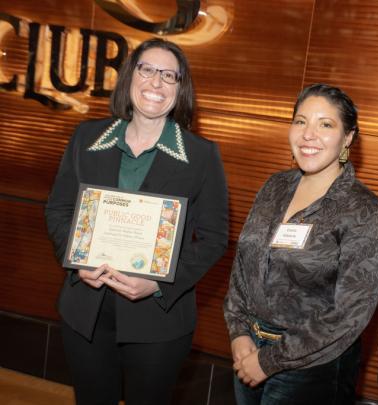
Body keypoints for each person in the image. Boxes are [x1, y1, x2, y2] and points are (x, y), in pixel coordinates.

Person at [45, 38, 229, 404]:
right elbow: (59, 210)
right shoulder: (86, 137)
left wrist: (158, 283)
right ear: (130, 76)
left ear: (181, 88)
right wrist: (77, 259)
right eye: (147, 70)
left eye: (169, 76)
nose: (156, 83)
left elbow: (212, 237)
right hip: (86, 311)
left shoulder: (202, 155)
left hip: (158, 320)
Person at [224, 83, 378, 404]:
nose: (308, 134)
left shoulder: (364, 211)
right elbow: (242, 266)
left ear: (348, 138)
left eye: (325, 124)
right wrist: (239, 332)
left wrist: (271, 360)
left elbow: (351, 313)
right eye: (300, 121)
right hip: (247, 353)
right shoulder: (275, 186)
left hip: (314, 369)